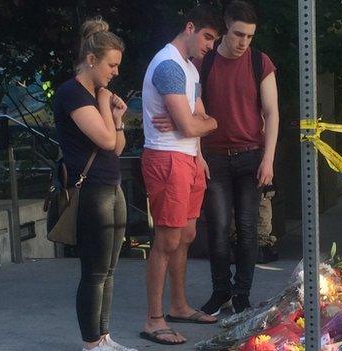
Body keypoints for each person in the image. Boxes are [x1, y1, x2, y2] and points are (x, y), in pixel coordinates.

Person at [139, 4, 223, 345]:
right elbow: (195, 123)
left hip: (188, 159)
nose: (210, 46)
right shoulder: (169, 65)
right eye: (207, 37)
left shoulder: (191, 69)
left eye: (214, 41)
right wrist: (194, 124)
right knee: (167, 238)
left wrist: (197, 127)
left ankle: (178, 306)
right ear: (189, 28)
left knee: (186, 234)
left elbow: (208, 121)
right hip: (166, 158)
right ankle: (153, 319)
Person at [52, 18, 135, 351]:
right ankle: (91, 343)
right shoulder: (72, 93)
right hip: (91, 191)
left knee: (110, 270)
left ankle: (104, 336)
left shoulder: (95, 94)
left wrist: (118, 120)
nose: (115, 71)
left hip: (111, 185)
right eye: (111, 65)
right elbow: (102, 139)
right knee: (95, 272)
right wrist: (104, 102)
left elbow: (117, 146)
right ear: (91, 60)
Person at [195, 0, 279, 316]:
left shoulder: (260, 62)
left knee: (247, 229)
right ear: (225, 28)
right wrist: (197, 153)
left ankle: (241, 294)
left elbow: (272, 113)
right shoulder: (205, 62)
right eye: (238, 34)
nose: (243, 42)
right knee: (217, 228)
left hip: (250, 156)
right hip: (214, 157)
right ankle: (222, 292)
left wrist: (268, 159)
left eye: (249, 36)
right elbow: (192, 110)